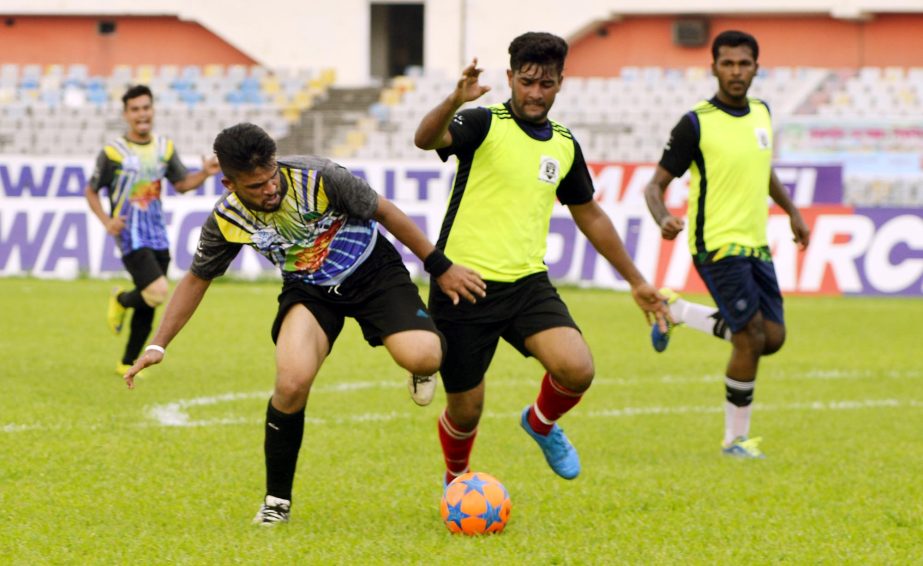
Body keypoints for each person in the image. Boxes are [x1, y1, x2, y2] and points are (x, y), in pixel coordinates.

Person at [122, 123, 486, 525]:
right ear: (229, 183)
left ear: (276, 161)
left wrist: (440, 266)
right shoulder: (227, 219)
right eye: (255, 186)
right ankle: (277, 501)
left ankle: (421, 368)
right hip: (309, 290)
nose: (269, 190)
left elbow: (384, 212)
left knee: (423, 357)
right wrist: (158, 345)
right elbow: (196, 279)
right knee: (291, 382)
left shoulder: (320, 177)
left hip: (373, 272)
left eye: (271, 177)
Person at [414, 32, 670, 486]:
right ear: (511, 77)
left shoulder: (565, 144)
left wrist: (636, 279)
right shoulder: (482, 123)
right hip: (462, 283)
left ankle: (540, 422)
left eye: (546, 84)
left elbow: (589, 214)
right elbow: (425, 138)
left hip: (527, 284)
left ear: (560, 83)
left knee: (578, 368)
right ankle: (457, 480)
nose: (535, 93)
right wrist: (454, 99)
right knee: (466, 410)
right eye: (527, 81)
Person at [643, 30, 811, 459]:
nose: (736, 72)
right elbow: (655, 185)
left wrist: (791, 211)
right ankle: (734, 440)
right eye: (728, 63)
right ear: (713, 67)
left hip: (756, 244)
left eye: (744, 63)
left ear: (757, 66)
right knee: (749, 337)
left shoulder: (762, 113)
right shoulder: (695, 123)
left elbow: (763, 169)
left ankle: (676, 311)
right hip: (715, 244)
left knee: (773, 337)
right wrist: (663, 217)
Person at [85, 84, 221, 377]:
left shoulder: (164, 148)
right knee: (158, 291)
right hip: (130, 233)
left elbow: (182, 184)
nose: (141, 114)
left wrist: (205, 174)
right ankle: (120, 300)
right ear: (126, 114)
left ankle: (128, 361)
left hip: (157, 231)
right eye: (135, 109)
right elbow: (91, 190)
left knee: (149, 300)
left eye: (146, 107)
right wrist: (107, 222)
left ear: (153, 110)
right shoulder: (113, 153)